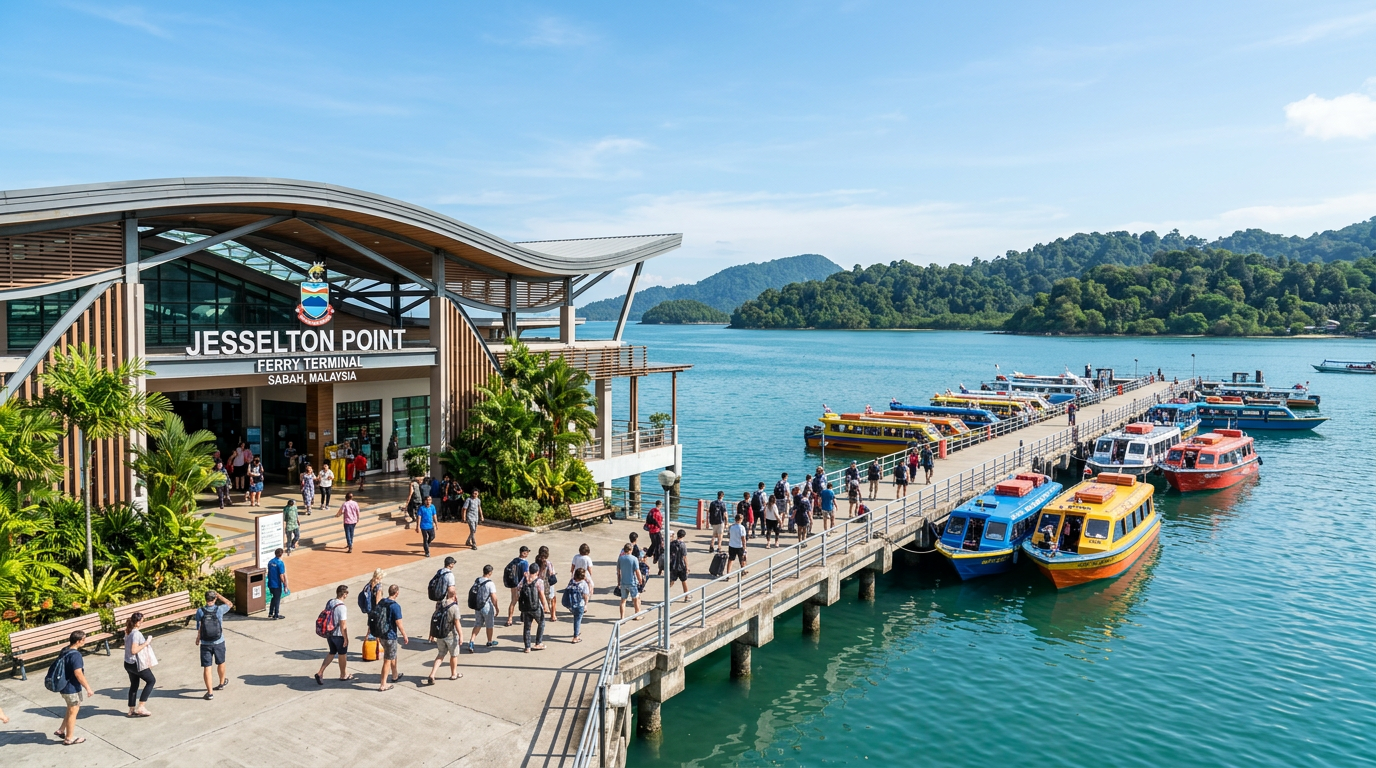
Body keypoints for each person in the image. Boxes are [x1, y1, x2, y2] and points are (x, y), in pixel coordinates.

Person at [53, 630, 95, 745]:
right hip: (71, 688)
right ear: (78, 641)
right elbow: (78, 673)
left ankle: (61, 730)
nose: (84, 641)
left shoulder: (65, 650)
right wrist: (88, 688)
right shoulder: (76, 655)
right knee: (73, 711)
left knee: (70, 708)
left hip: (63, 687)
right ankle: (69, 738)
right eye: (83, 640)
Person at [194, 590, 232, 700]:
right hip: (219, 641)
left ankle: (210, 693)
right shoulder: (219, 609)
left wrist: (198, 638)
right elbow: (230, 604)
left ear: (205, 599)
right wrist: (219, 596)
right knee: (221, 662)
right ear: (214, 599)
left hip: (205, 643)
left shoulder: (200, 611)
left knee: (207, 667)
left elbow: (199, 626)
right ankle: (221, 683)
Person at [314, 584, 354, 684]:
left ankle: (320, 672)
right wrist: (345, 638)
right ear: (344, 594)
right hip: (338, 635)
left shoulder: (330, 602)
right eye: (347, 593)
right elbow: (343, 624)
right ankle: (343, 674)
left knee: (332, 652)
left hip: (329, 633)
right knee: (342, 654)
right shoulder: (342, 607)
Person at [425, 586, 463, 685]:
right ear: (455, 595)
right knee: (454, 655)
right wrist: (461, 635)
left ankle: (432, 674)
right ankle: (454, 674)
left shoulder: (440, 604)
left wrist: (431, 634)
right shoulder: (454, 607)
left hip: (440, 634)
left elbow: (434, 618)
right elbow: (457, 623)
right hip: (450, 634)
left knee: (441, 654)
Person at [122, 612, 155, 718]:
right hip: (136, 663)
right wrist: (146, 643)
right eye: (141, 621)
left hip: (128, 663)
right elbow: (134, 650)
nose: (142, 623)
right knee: (151, 681)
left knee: (134, 684)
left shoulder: (128, 631)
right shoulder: (136, 634)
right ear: (137, 622)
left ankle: (131, 710)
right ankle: (141, 707)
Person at [376, 584, 408, 691]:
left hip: (381, 634)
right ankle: (383, 684)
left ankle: (395, 674)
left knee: (392, 654)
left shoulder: (382, 602)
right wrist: (404, 635)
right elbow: (399, 623)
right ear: (397, 593)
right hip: (390, 636)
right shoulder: (395, 606)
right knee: (387, 660)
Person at [467, 564, 499, 652]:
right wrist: (496, 608)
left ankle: (471, 641)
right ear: (490, 573)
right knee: (489, 625)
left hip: (478, 606)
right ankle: (489, 641)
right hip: (486, 606)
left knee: (478, 624)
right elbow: (494, 597)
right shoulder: (490, 583)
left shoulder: (478, 580)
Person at [519, 562, 549, 653]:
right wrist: (545, 606)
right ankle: (538, 642)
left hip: (525, 607)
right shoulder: (539, 581)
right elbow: (542, 595)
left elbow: (518, 588)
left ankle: (527, 647)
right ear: (537, 572)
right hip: (535, 607)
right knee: (541, 623)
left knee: (527, 627)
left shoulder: (524, 580)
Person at [505, 545, 532, 627]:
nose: (528, 554)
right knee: (524, 601)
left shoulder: (514, 560)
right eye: (527, 552)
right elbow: (526, 575)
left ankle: (509, 619)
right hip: (521, 585)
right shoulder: (524, 563)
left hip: (513, 584)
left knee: (513, 601)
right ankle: (523, 616)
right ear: (523, 553)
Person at [617, 543, 642, 620]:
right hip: (632, 583)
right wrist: (640, 580)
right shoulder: (634, 559)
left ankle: (622, 617)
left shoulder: (620, 559)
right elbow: (637, 571)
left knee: (623, 600)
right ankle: (637, 615)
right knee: (635, 599)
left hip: (623, 582)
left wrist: (618, 582)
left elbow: (618, 572)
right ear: (631, 550)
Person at [568, 567, 591, 643]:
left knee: (576, 618)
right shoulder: (583, 584)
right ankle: (576, 637)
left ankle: (577, 631)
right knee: (578, 619)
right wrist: (586, 605)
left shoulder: (572, 581)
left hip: (572, 604)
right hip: (580, 604)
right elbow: (586, 595)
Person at [536, 546, 559, 623]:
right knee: (552, 599)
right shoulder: (548, 563)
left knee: (540, 599)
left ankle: (540, 616)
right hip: (548, 583)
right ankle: (553, 615)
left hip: (539, 583)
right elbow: (551, 573)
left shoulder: (537, 562)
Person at [669, 529, 690, 600]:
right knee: (684, 581)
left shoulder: (672, 543)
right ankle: (687, 596)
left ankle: (667, 593)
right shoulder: (683, 545)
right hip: (681, 566)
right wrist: (687, 567)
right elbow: (684, 557)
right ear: (683, 536)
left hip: (673, 566)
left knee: (672, 580)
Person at [267, 548, 288, 619]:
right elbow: (281, 575)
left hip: (270, 583)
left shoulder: (270, 562)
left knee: (274, 597)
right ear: (281, 554)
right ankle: (276, 614)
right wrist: (284, 584)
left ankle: (270, 612)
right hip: (277, 584)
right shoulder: (280, 563)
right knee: (277, 599)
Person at [645, 501, 665, 574]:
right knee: (658, 544)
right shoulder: (658, 513)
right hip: (656, 530)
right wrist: (660, 527)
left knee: (654, 543)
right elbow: (659, 522)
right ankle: (655, 557)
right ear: (660, 505)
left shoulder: (651, 510)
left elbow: (648, 519)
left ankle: (649, 554)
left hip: (651, 530)